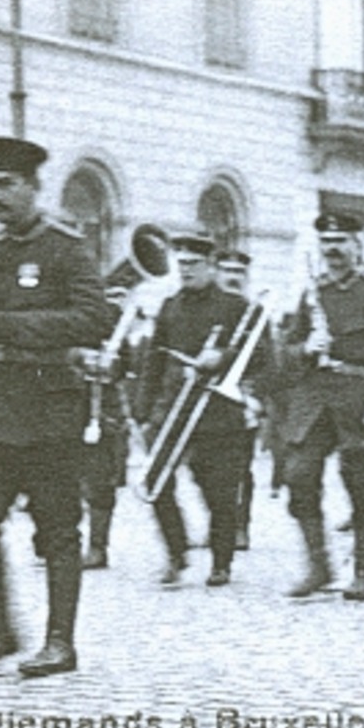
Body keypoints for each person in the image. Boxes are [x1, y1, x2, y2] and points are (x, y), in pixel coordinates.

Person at [0, 136, 114, 679]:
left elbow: (93, 320)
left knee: (57, 529)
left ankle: (60, 643)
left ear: (33, 187)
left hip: (47, 413)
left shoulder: (65, 248)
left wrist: (10, 326)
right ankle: (3, 630)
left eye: (6, 185)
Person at [277, 213, 364, 602]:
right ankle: (318, 566)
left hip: (358, 397)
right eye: (326, 242)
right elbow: (284, 353)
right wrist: (306, 348)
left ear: (359, 246)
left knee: (362, 486)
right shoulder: (311, 293)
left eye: (341, 241)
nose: (333, 250)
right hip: (314, 399)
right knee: (299, 476)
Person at [139, 232, 270, 587]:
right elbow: (154, 359)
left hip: (217, 410)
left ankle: (221, 561)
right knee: (155, 480)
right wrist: (142, 411)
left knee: (219, 492)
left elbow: (261, 355)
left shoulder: (235, 306)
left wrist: (223, 357)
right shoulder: (170, 306)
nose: (186, 271)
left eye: (194, 265)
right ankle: (177, 552)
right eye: (181, 264)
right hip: (173, 407)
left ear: (211, 266)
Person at [71, 281, 136, 571]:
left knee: (99, 481)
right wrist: (77, 358)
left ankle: (97, 547)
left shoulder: (113, 318)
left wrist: (110, 363)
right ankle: (51, 539)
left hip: (99, 410)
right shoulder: (65, 312)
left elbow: (127, 365)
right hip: (64, 404)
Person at [215, 248, 259, 553]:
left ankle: (240, 526)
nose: (232, 277)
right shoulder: (208, 307)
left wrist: (253, 395)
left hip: (240, 398)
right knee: (209, 470)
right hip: (205, 398)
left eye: (239, 272)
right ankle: (220, 527)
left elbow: (269, 360)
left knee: (240, 468)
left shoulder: (254, 311)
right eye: (226, 270)